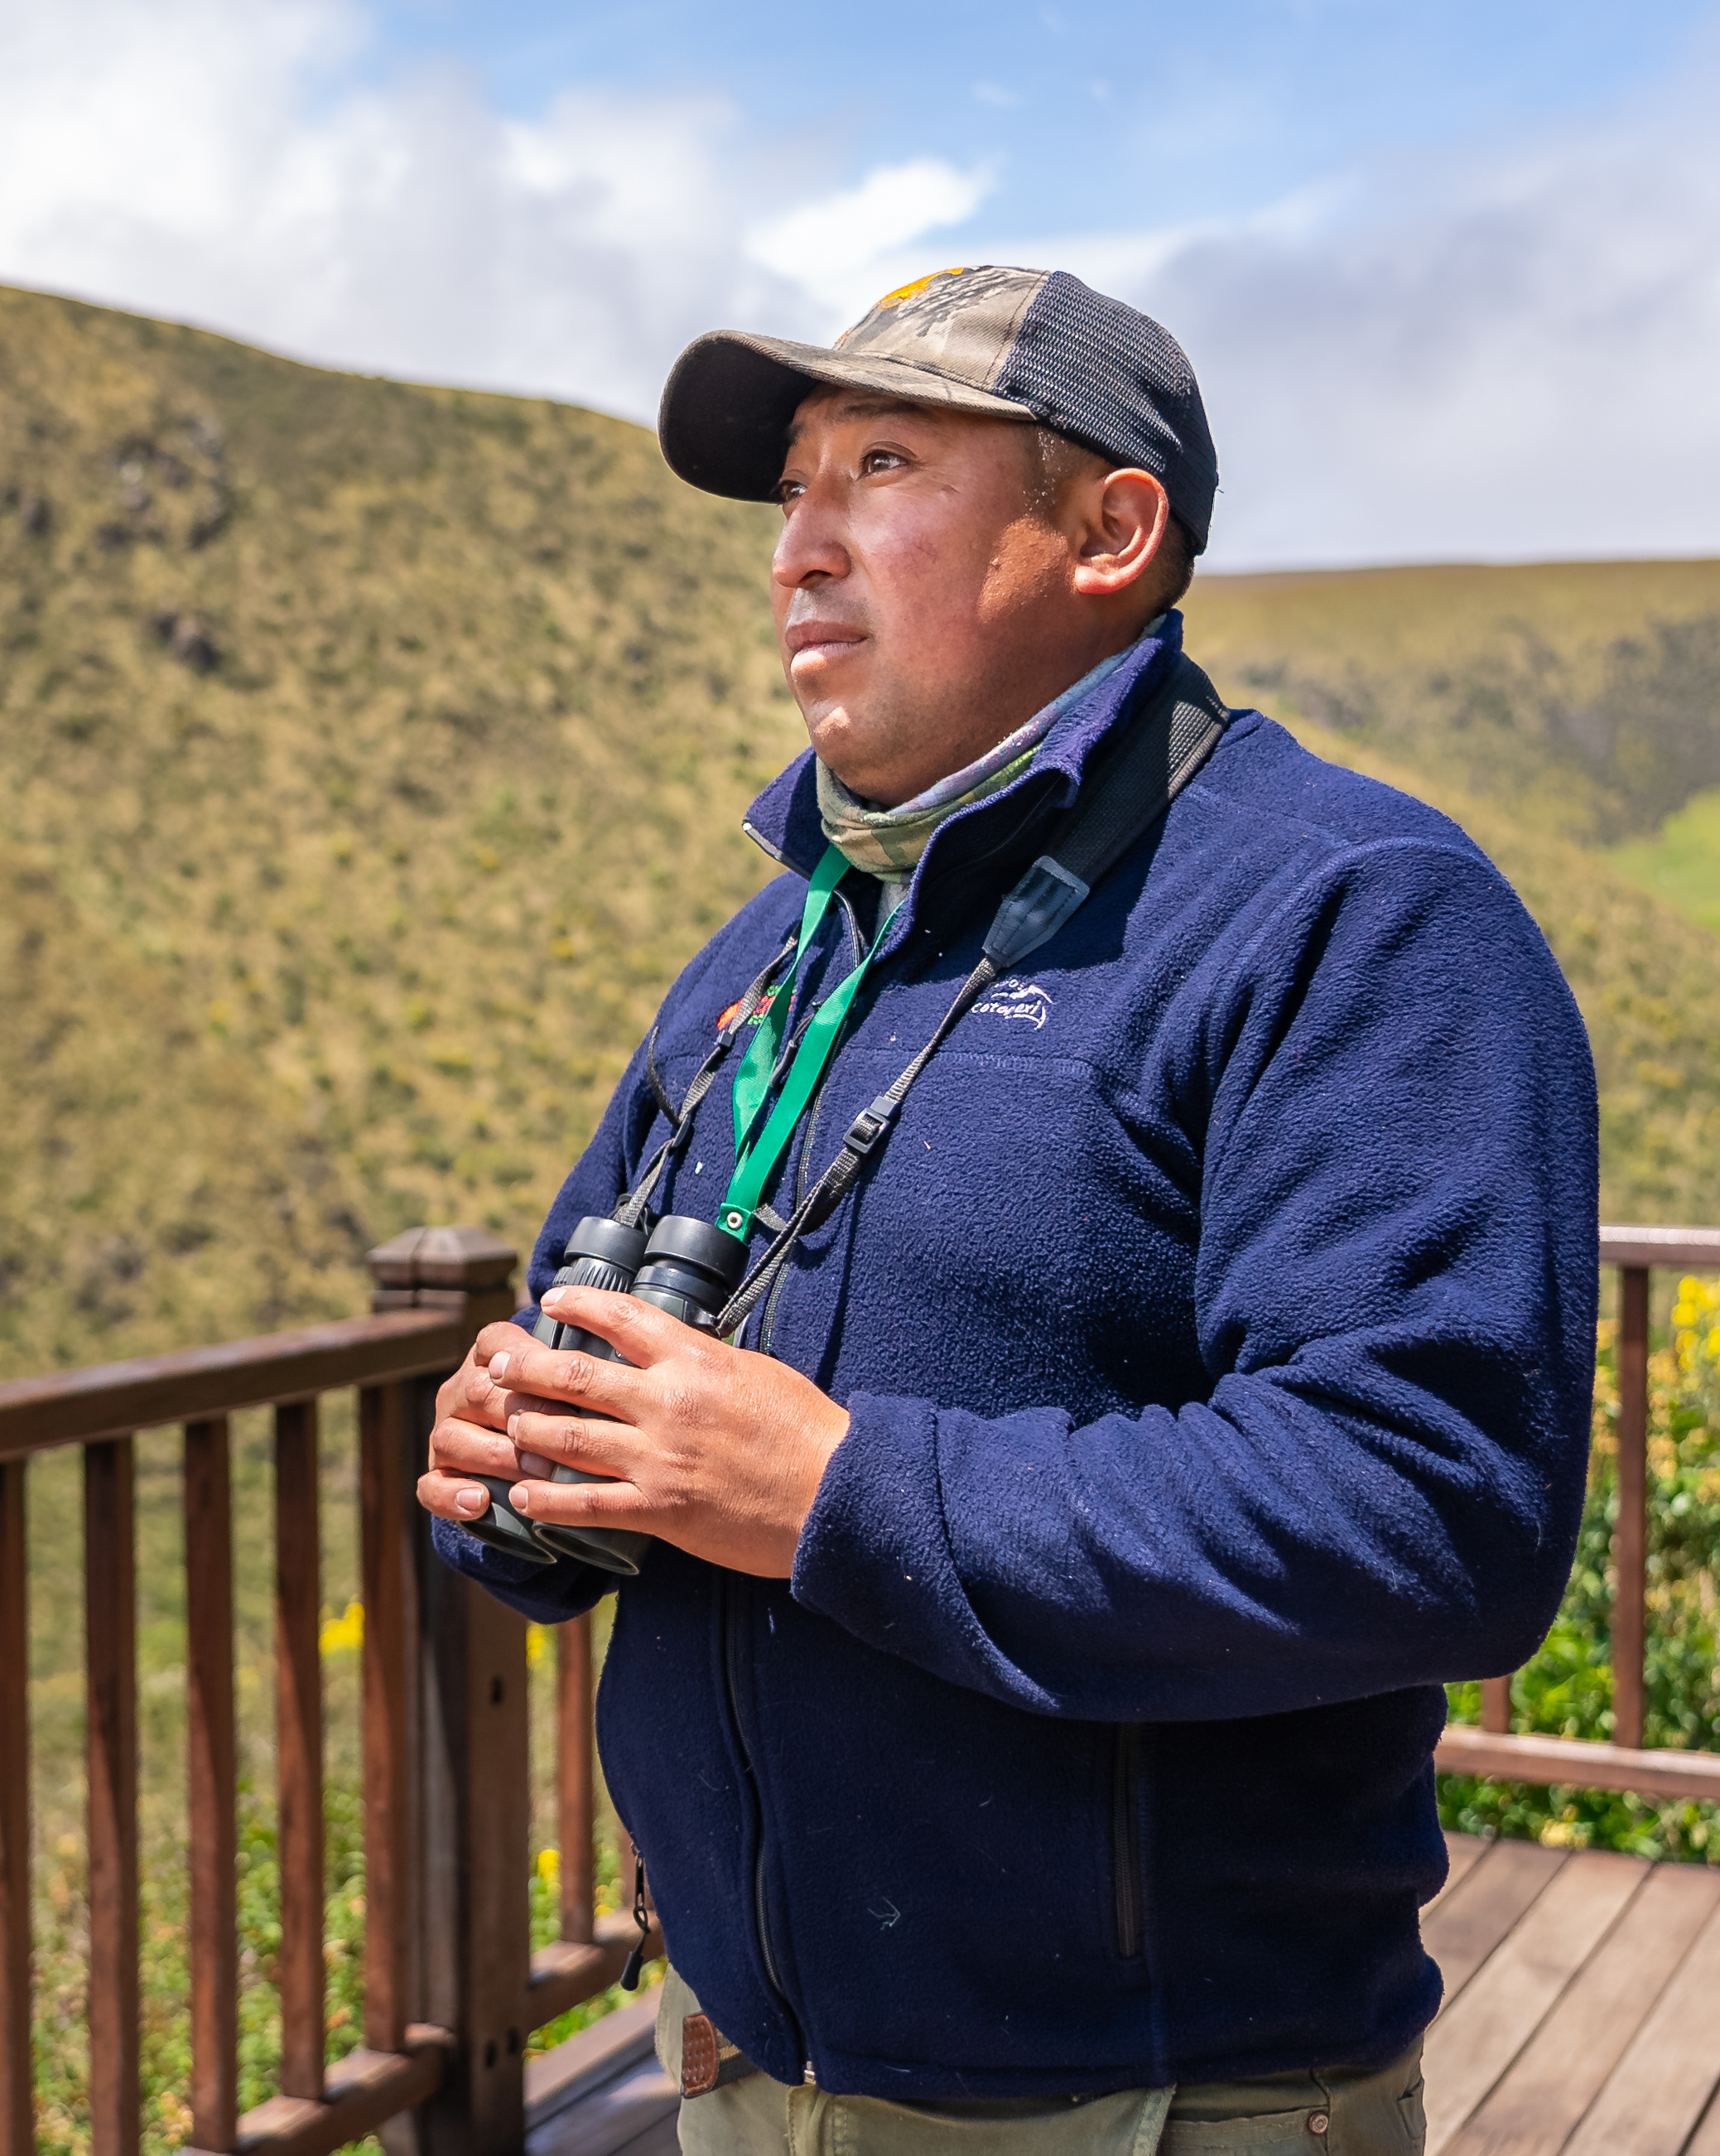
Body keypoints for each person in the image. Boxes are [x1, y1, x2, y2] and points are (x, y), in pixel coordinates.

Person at [417, 266, 1596, 2154]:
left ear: (1108, 532)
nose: (796, 546)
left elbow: (1434, 1509)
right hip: (727, 2068)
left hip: (1140, 2104)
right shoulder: (778, 948)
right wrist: (520, 1472)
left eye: (880, 465)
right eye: (790, 486)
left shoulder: (1351, 914)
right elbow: (602, 1346)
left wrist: (828, 1494)